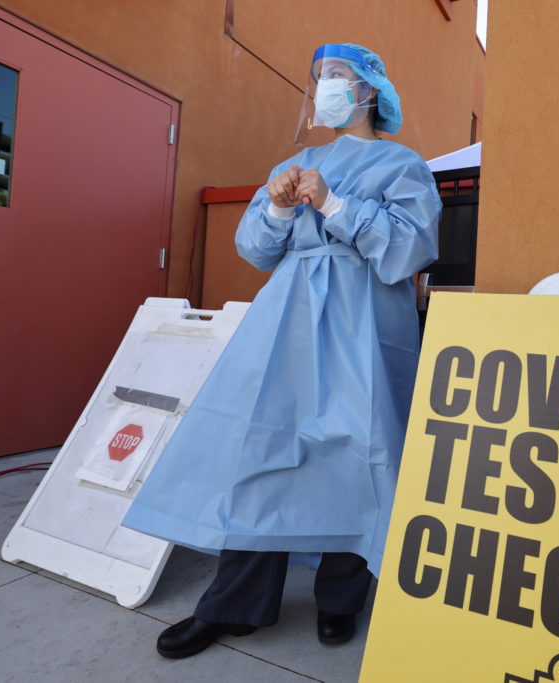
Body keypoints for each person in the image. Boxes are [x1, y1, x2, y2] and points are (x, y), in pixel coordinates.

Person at [121, 43, 441, 659]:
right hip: (286, 321)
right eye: (320, 78)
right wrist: (275, 205)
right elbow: (256, 250)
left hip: (363, 323)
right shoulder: (296, 163)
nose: (325, 87)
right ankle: (234, 605)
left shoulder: (403, 165)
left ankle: (340, 599)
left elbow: (409, 250)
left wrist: (336, 204)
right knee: (260, 450)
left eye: (338, 76)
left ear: (370, 90)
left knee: (359, 452)